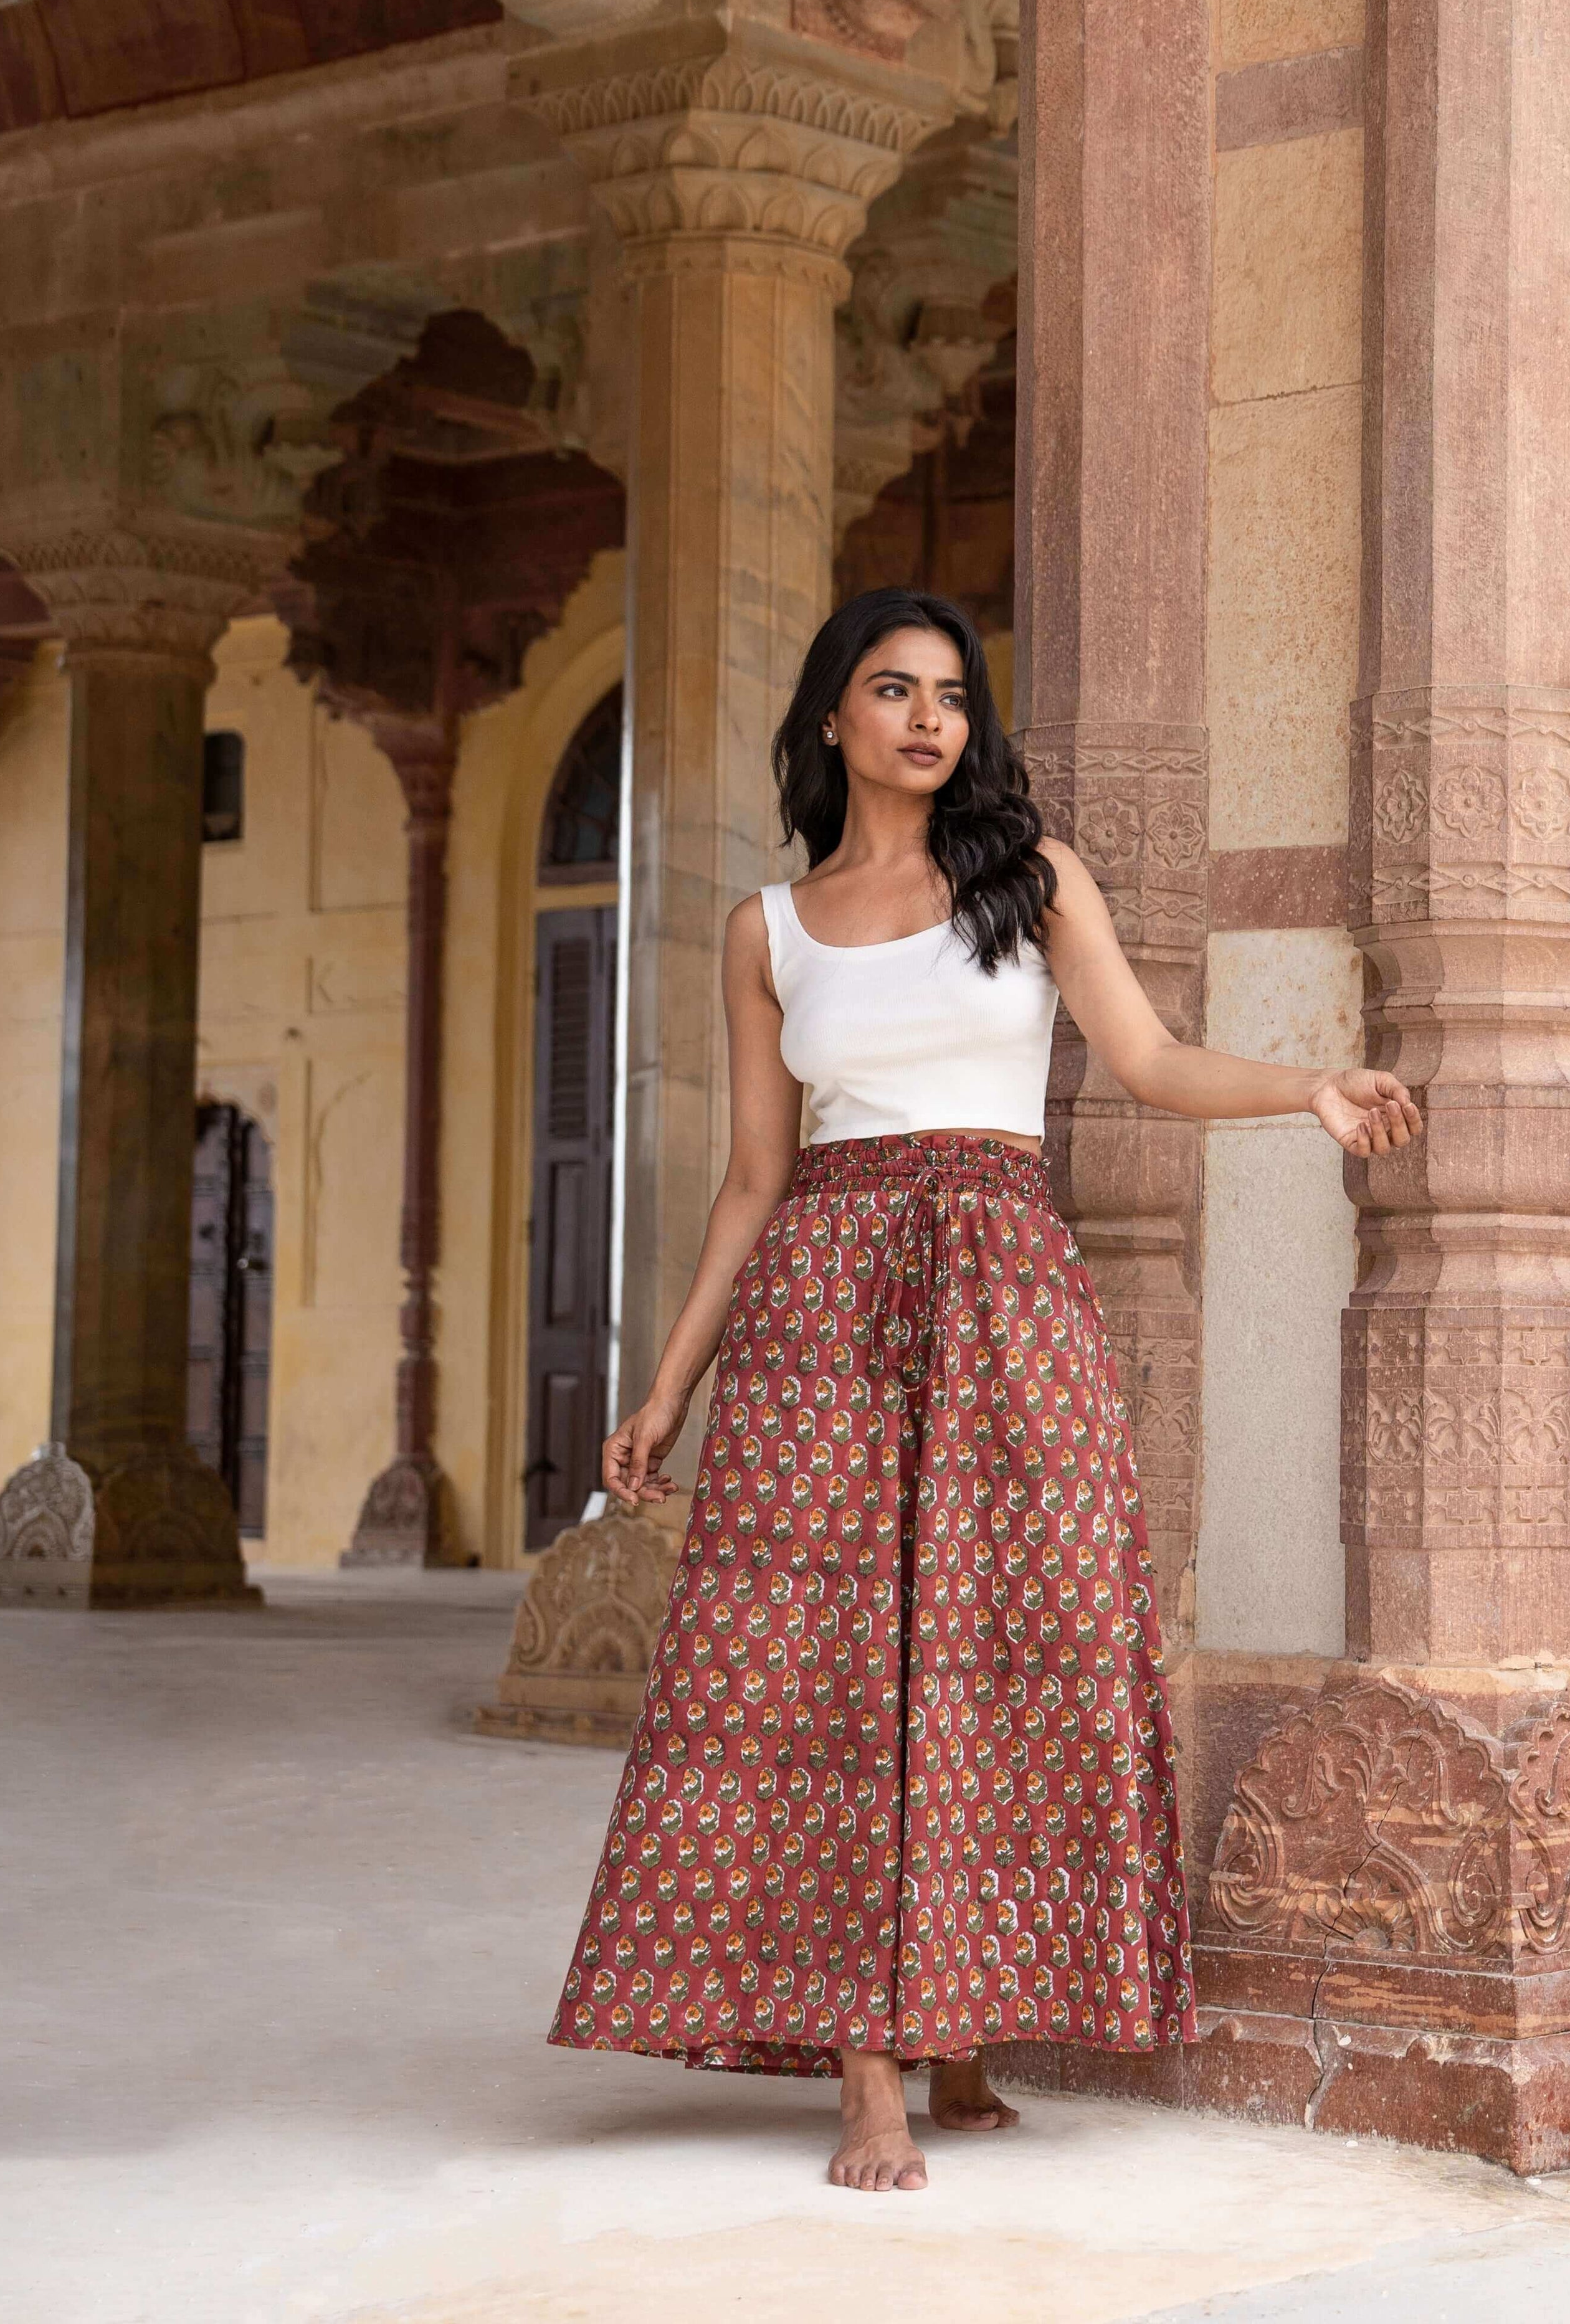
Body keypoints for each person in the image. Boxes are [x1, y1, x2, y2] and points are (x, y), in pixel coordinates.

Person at [546, 587, 1424, 2191]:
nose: (930, 717)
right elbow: (753, 1177)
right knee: (818, 1672)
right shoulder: (768, 929)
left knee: (1026, 1638)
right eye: (893, 690)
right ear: (835, 718)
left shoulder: (1027, 884)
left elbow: (1149, 1063)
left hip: (1010, 1286)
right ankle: (869, 2074)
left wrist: (1308, 1086)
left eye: (951, 694)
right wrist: (667, 1388)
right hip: (821, 1306)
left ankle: (960, 2026)